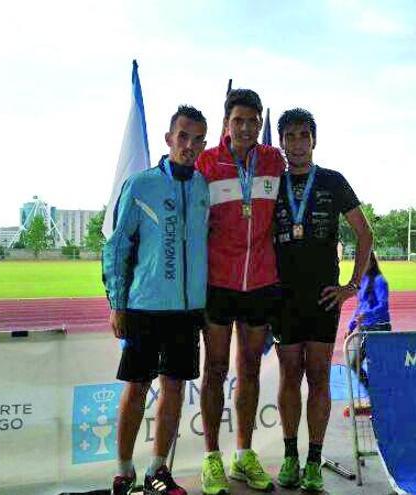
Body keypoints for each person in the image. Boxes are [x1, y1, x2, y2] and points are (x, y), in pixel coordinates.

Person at [102, 105, 210, 495]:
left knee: (175, 389)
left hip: (186, 311)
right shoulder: (141, 184)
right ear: (169, 139)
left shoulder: (202, 187)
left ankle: (157, 471)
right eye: (183, 136)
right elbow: (115, 247)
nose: (189, 145)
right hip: (144, 307)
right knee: (136, 387)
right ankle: (123, 471)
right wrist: (117, 302)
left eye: (198, 139)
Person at [271, 108, 373, 492]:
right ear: (281, 142)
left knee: (317, 376)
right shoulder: (271, 185)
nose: (297, 143)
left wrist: (352, 286)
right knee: (288, 376)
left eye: (304, 135)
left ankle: (314, 460)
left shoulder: (333, 181)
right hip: (283, 298)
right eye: (290, 136)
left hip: (324, 297)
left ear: (314, 140)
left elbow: (365, 234)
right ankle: (289, 457)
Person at [194, 89, 285, 494]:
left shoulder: (273, 160)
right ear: (225, 122)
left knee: (248, 369)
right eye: (238, 121)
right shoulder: (207, 163)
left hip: (260, 282)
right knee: (214, 370)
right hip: (218, 282)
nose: (246, 128)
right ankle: (212, 457)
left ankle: (243, 454)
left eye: (254, 121)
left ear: (261, 124)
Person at [347, 251, 391, 387]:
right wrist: (351, 326)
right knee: (356, 364)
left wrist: (366, 314)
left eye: (362, 262)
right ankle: (374, 392)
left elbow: (383, 305)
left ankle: (378, 394)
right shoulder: (363, 281)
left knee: (376, 364)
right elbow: (361, 306)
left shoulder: (380, 281)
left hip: (378, 327)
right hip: (365, 328)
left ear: (371, 263)